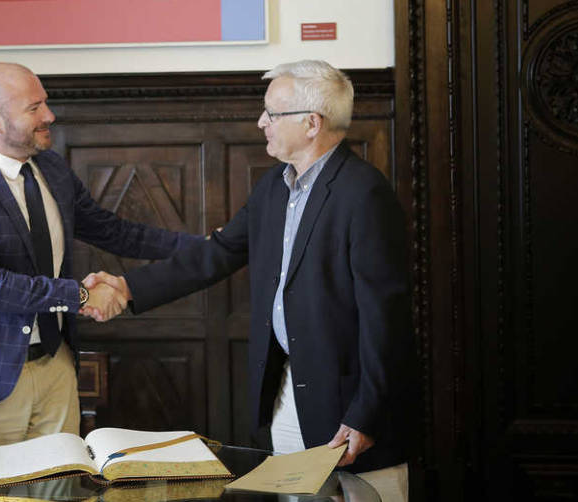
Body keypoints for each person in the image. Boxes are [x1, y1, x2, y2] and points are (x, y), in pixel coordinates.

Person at [83, 60, 415, 501]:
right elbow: (217, 254)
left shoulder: (364, 193)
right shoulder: (273, 188)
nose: (262, 123)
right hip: (288, 394)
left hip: (347, 409)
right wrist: (128, 288)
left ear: (311, 123)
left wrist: (366, 414)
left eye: (272, 114)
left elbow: (386, 318)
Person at [0, 62, 201, 453]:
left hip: (55, 365)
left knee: (59, 490)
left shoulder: (51, 168)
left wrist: (205, 247)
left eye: (46, 103)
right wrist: (82, 296)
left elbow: (113, 232)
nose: (49, 116)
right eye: (34, 108)